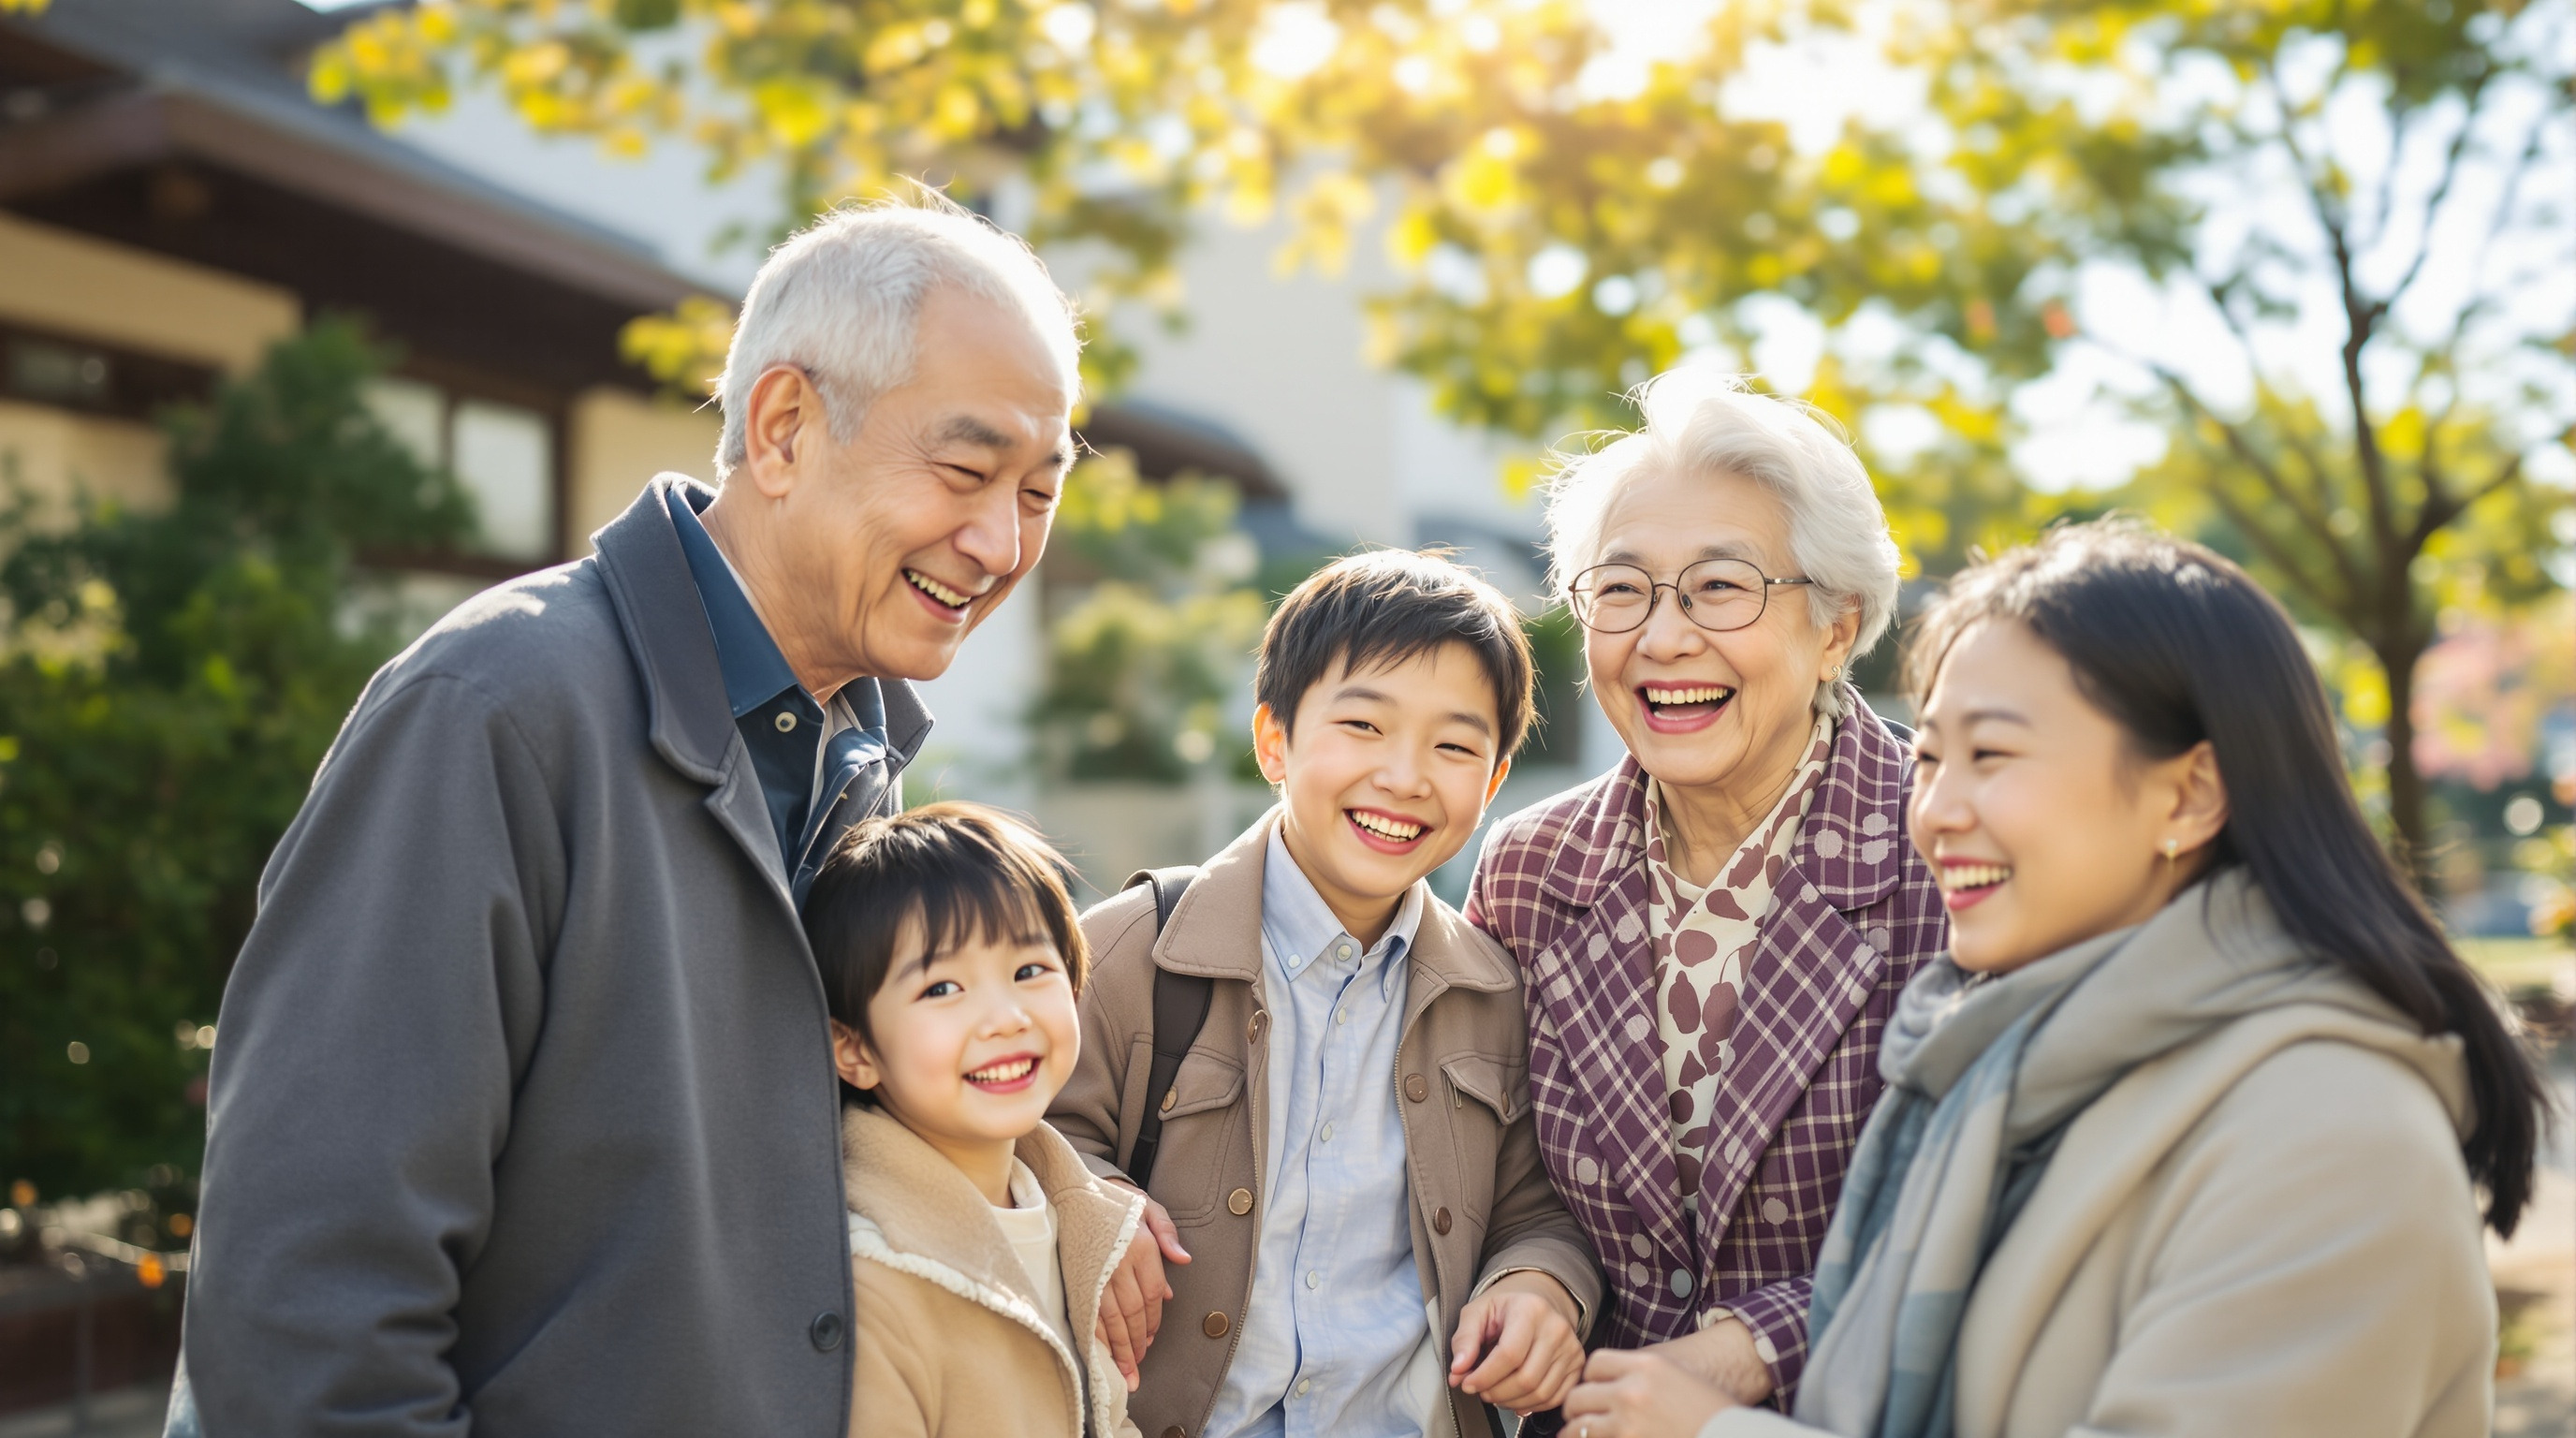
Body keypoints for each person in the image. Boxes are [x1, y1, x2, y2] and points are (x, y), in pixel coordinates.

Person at [173, 198, 1081, 1435]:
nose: (1000, 541)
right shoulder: (492, 709)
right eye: (969, 472)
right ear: (781, 428)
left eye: (1040, 489)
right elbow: (309, 1298)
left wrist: (1083, 1214)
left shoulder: (855, 756)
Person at [1563, 520, 2549, 1438]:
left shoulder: (2330, 1131)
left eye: (1991, 755)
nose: (1936, 811)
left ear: (2190, 793)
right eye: (1930, 758)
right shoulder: (1993, 1078)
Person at [1468, 371, 1944, 1413]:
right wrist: (1535, 1278)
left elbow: (1996, 1202)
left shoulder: (1948, 849)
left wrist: (1740, 1356)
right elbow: (1501, 1170)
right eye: (1622, 589)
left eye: (1721, 587)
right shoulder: (1531, 871)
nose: (1663, 638)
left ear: (1833, 626)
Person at [1049, 550, 1605, 1438]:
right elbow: (1022, 1135)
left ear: (1494, 781)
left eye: (1456, 746)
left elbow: (1537, 1208)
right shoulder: (1128, 950)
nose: (1405, 775)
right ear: (1274, 740)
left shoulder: (1493, 994)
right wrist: (1089, 1200)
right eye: (1364, 727)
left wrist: (1538, 1285)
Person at [805, 803, 1145, 1438]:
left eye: (1028, 971)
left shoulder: (1079, 1223)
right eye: (941, 989)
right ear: (853, 1049)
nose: (1005, 1018)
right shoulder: (871, 1282)